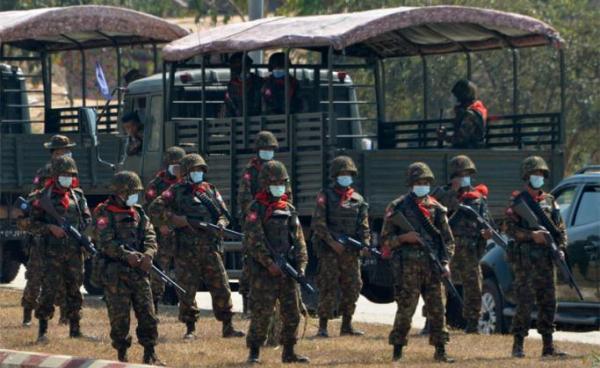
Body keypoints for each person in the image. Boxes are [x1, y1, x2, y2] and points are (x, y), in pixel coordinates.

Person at [148, 153, 244, 340]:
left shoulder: (210, 190)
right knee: (186, 290)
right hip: (186, 250)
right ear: (185, 172)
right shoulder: (174, 190)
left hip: (210, 247)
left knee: (221, 287)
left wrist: (222, 224)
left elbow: (224, 213)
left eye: (200, 170)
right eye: (194, 170)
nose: (198, 173)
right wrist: (175, 219)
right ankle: (190, 328)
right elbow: (154, 208)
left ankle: (228, 326)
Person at [381, 162, 455, 363]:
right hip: (408, 269)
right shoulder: (397, 207)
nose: (422, 185)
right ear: (411, 183)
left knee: (438, 310)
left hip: (433, 268)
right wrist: (405, 238)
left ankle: (441, 351)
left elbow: (447, 241)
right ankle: (397, 351)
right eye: (418, 182)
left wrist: (446, 262)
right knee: (406, 310)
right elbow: (385, 241)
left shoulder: (437, 209)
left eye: (425, 182)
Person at [93, 171, 163, 365]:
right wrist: (125, 255)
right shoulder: (104, 213)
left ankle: (150, 353)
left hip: (139, 272)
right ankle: (122, 355)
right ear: (119, 193)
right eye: (130, 192)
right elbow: (104, 241)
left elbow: (150, 236)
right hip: (115, 273)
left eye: (135, 192)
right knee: (120, 318)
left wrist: (148, 254)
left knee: (148, 314)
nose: (134, 196)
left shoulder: (139, 212)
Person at [19, 156, 91, 343]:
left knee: (75, 290)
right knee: (49, 291)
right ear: (55, 175)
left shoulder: (78, 196)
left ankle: (75, 329)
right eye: (64, 174)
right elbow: (25, 223)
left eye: (70, 174)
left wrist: (84, 236)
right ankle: (42, 331)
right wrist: (49, 228)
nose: (67, 178)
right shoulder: (41, 197)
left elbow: (87, 219)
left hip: (74, 253)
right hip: (50, 253)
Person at [244, 160, 309, 364]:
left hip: (287, 272)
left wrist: (301, 266)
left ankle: (289, 352)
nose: (279, 186)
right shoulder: (256, 208)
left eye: (282, 182)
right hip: (265, 273)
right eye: (274, 182)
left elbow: (299, 240)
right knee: (262, 314)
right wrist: (269, 263)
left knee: (292, 314)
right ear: (265, 183)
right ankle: (254, 352)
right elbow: (253, 241)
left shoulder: (288, 208)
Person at [505, 156, 568, 358]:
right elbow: (510, 230)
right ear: (526, 176)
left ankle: (548, 347)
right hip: (526, 264)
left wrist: (562, 248)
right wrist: (532, 236)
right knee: (524, 303)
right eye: (535, 174)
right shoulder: (518, 202)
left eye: (541, 174)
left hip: (547, 262)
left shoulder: (550, 201)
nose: (538, 177)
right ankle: (518, 346)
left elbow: (560, 229)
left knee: (549, 303)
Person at [432, 155, 493, 333]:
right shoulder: (441, 194)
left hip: (469, 249)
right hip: (446, 248)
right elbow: (432, 213)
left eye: (467, 174)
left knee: (473, 285)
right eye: (461, 174)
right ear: (453, 175)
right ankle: (433, 323)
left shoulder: (477, 197)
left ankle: (472, 324)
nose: (464, 177)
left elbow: (486, 220)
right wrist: (454, 192)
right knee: (438, 286)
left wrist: (486, 234)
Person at [311, 156, 369, 338]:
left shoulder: (358, 199)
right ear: (335, 175)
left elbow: (363, 225)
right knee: (328, 286)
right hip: (331, 252)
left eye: (348, 174)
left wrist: (365, 244)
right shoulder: (325, 196)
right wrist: (331, 242)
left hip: (350, 253)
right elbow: (318, 223)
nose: (345, 177)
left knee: (353, 286)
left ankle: (347, 325)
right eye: (342, 174)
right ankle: (323, 326)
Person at [22, 135, 74, 326]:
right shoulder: (45, 173)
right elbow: (37, 199)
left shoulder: (69, 170)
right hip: (43, 234)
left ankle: (65, 316)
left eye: (69, 149)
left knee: (63, 277)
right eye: (64, 150)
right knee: (35, 276)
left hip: (62, 234)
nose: (68, 152)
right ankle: (28, 314)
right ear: (55, 152)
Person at [237, 131, 281, 314]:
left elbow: (286, 193)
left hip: (275, 220)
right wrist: (254, 214)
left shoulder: (278, 169)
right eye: (264, 148)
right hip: (255, 219)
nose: (268, 151)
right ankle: (247, 304)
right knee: (251, 262)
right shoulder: (251, 171)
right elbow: (244, 197)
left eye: (270, 149)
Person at [145, 146, 186, 315]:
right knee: (158, 271)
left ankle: (184, 308)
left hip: (183, 234)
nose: (176, 167)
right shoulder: (156, 184)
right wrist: (161, 223)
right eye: (173, 163)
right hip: (162, 235)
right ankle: (153, 307)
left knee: (183, 271)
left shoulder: (186, 184)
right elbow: (149, 208)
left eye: (179, 164)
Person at [437, 79, 488, 148]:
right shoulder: (469, 112)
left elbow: (460, 139)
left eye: (457, 97)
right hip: (468, 149)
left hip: (469, 151)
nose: (455, 100)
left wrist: (444, 137)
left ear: (462, 97)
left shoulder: (470, 115)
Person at [223, 52, 263, 117]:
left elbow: (262, 102)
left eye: (237, 63)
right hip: (236, 122)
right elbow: (229, 105)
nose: (234, 67)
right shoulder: (231, 85)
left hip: (257, 120)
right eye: (233, 64)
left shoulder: (258, 82)